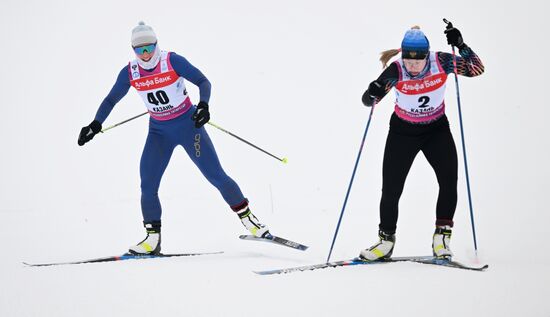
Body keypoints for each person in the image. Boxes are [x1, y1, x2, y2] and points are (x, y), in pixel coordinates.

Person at [78, 22, 269, 255]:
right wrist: (95, 124)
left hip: (189, 127)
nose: (145, 55)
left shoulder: (172, 61)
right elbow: (110, 100)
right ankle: (152, 240)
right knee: (148, 184)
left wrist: (203, 106)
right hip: (158, 133)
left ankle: (251, 223)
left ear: (157, 44)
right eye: (140, 50)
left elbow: (203, 82)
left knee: (216, 176)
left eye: (149, 48)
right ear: (133, 50)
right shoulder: (130, 72)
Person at [359, 24, 484, 260]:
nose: (413, 66)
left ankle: (441, 238)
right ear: (403, 56)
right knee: (391, 189)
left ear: (427, 55)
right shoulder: (396, 71)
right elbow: (369, 102)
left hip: (436, 130)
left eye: (418, 60)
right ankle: (385, 241)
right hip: (402, 133)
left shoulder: (442, 61)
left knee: (448, 181)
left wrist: (461, 46)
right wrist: (371, 91)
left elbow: (476, 69)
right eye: (409, 60)